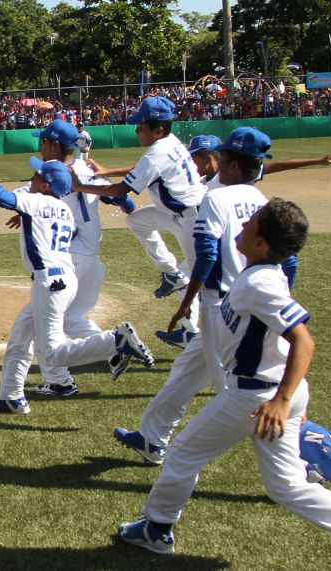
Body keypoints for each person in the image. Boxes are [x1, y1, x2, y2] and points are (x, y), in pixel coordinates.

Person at [118, 198, 331, 557]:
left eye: (252, 223)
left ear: (262, 244)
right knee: (287, 486)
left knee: (183, 452)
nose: (243, 225)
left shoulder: (261, 283)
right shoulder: (261, 274)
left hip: (256, 396)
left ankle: (157, 528)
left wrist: (282, 399)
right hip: (273, 390)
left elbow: (303, 342)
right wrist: (290, 397)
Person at [113, 127, 276, 464]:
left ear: (232, 165)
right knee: (186, 371)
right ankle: (152, 438)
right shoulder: (262, 202)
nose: (217, 161)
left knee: (232, 392)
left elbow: (207, 255)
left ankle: (298, 456)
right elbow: (283, 258)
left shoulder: (214, 198)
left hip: (222, 306)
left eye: (224, 156)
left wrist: (187, 302)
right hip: (243, 299)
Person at [0, 157, 154, 414]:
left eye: (36, 177)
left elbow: (2, 197)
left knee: (51, 353)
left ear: (46, 185)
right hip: (64, 279)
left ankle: (114, 341)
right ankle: (11, 396)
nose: (31, 180)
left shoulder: (36, 200)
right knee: (20, 339)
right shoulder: (65, 209)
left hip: (50, 282)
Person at [73, 96, 205, 341]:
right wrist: (107, 171)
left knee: (200, 278)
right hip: (176, 213)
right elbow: (144, 166)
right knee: (137, 221)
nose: (136, 131)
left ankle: (201, 332)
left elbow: (120, 190)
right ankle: (170, 274)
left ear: (157, 130)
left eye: (140, 127)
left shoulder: (157, 153)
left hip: (193, 221)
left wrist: (80, 187)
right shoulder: (168, 143)